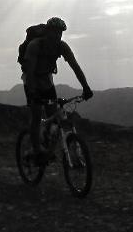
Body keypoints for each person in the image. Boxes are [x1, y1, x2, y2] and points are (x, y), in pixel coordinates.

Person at [21, 16, 93, 163]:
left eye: (60, 33)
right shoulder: (35, 45)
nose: (57, 36)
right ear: (47, 31)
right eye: (54, 32)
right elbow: (30, 71)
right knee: (36, 115)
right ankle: (36, 151)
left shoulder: (62, 46)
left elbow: (75, 67)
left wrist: (86, 87)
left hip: (47, 81)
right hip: (32, 80)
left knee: (53, 116)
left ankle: (47, 145)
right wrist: (33, 93)